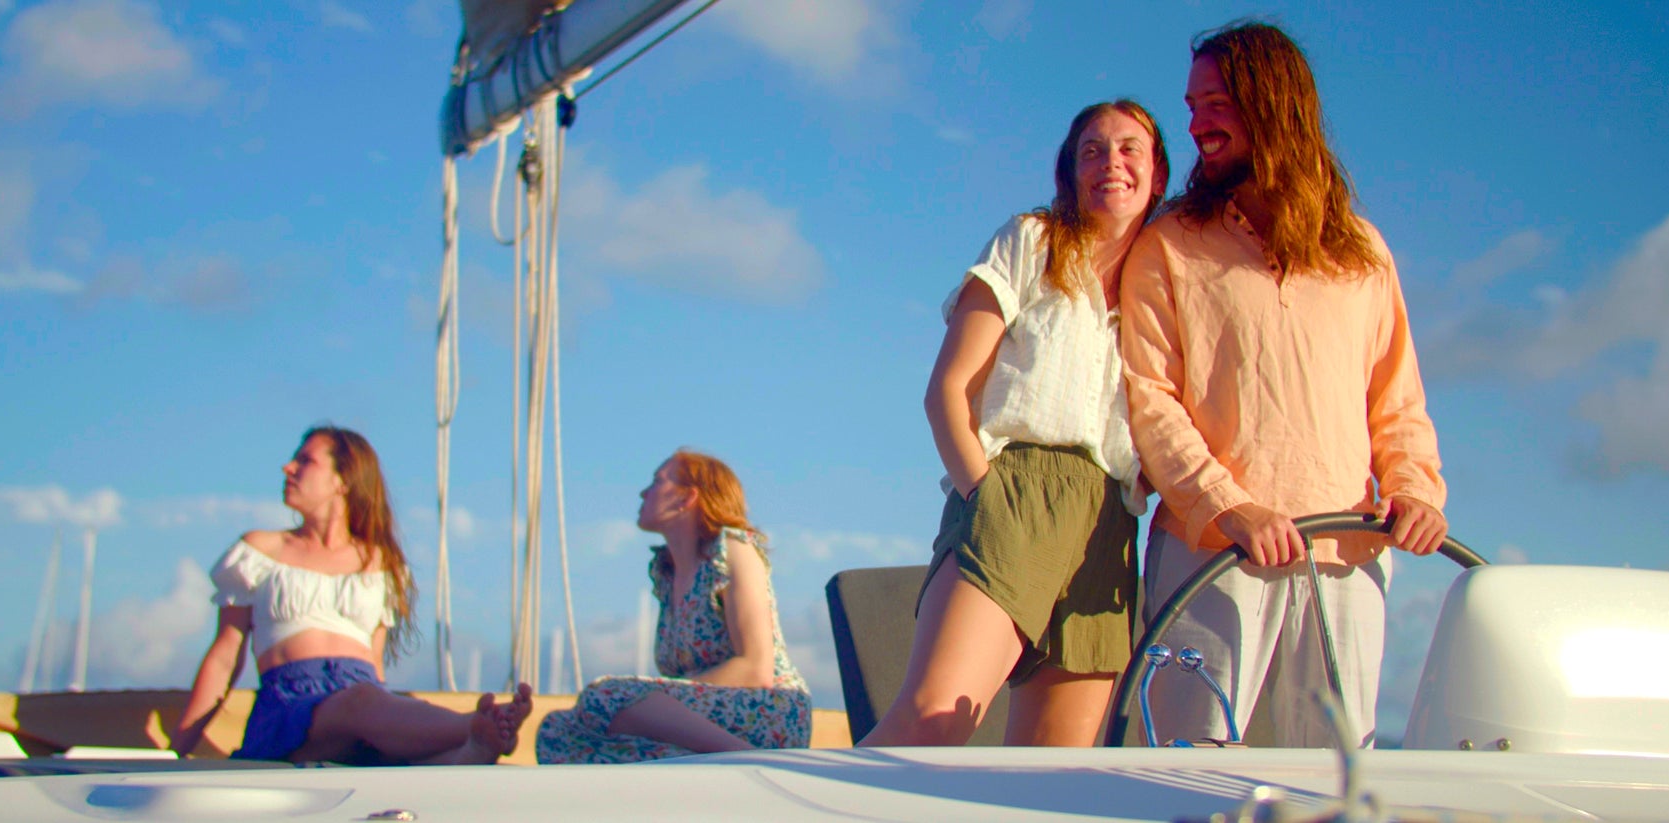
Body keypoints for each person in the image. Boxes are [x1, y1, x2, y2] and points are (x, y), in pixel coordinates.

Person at [1119, 21, 1449, 748]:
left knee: (1339, 777)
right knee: (1189, 773)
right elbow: (1148, 398)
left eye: (1216, 103)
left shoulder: (1364, 253)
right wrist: (1228, 506)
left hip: (1348, 556)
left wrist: (1417, 487)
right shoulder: (1167, 245)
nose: (1196, 124)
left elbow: (1396, 400)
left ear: (1273, 103)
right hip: (1213, 553)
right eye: (1192, 104)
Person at [859, 99, 1170, 747]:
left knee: (1051, 777)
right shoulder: (1032, 240)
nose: (1110, 161)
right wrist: (985, 496)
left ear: (1159, 174)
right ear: (1071, 172)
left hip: (1110, 523)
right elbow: (948, 388)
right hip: (1016, 490)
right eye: (1092, 149)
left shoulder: (1167, 287)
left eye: (1129, 148)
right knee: (931, 721)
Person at [170, 425, 534, 763]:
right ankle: (474, 726)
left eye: (305, 461)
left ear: (343, 480)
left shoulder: (381, 563)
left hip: (363, 701)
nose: (288, 467)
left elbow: (373, 665)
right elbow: (224, 658)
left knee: (385, 726)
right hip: (292, 704)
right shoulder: (260, 552)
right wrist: (175, 752)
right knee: (362, 702)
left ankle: (475, 748)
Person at [535, 450, 811, 763]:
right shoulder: (667, 573)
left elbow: (755, 668)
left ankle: (749, 761)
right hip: (707, 719)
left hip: (766, 712)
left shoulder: (733, 549)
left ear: (687, 498)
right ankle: (691, 769)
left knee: (604, 696)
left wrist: (660, 697)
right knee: (556, 733)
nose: (643, 492)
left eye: (657, 481)